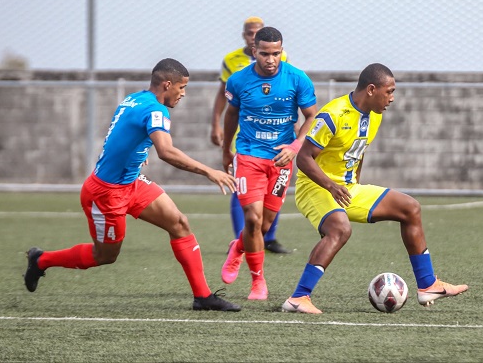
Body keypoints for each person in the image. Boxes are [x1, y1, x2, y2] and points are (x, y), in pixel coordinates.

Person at [23, 58, 241, 312]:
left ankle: (202, 297)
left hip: (132, 183)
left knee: (179, 223)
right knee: (105, 256)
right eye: (181, 88)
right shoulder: (156, 110)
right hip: (106, 193)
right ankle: (41, 260)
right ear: (167, 84)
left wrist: (138, 150)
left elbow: (122, 130)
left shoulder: (135, 98)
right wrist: (209, 171)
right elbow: (167, 152)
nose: (183, 94)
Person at [282, 63, 468, 314]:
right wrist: (331, 185)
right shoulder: (333, 114)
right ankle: (298, 298)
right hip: (315, 186)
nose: (391, 98)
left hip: (347, 188)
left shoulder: (375, 115)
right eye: (389, 92)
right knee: (340, 229)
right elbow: (303, 159)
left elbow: (358, 152)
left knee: (410, 208)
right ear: (371, 89)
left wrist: (353, 184)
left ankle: (428, 285)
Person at [221, 26, 317, 300]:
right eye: (265, 53)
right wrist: (227, 151)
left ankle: (238, 248)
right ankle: (257, 282)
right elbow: (231, 115)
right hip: (249, 156)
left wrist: (295, 147)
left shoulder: (297, 79)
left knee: (263, 227)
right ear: (255, 52)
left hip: (280, 161)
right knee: (252, 219)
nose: (271, 59)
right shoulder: (238, 81)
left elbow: (311, 116)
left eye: (276, 53)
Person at [211, 16, 290, 254]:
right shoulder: (231, 61)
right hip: (245, 137)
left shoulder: (281, 60)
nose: (270, 58)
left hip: (275, 139)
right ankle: (242, 238)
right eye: (249, 33)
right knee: (241, 189)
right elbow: (222, 96)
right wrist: (216, 124)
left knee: (271, 191)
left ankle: (267, 237)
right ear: (247, 37)